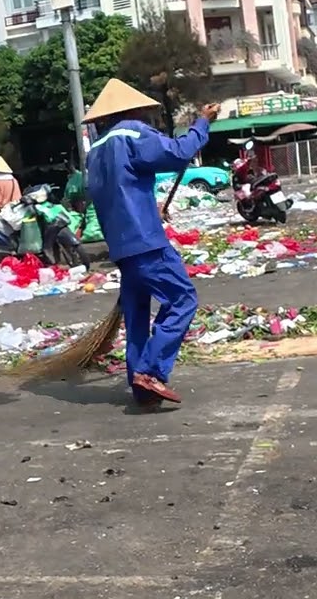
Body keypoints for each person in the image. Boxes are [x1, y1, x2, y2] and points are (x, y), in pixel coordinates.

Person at [82, 78, 220, 409]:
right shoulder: (133, 133)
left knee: (137, 313)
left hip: (121, 245)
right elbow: (179, 152)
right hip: (145, 242)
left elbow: (120, 191)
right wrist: (202, 122)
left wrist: (150, 206)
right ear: (134, 110)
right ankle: (152, 372)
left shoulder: (96, 151)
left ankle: (142, 389)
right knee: (182, 299)